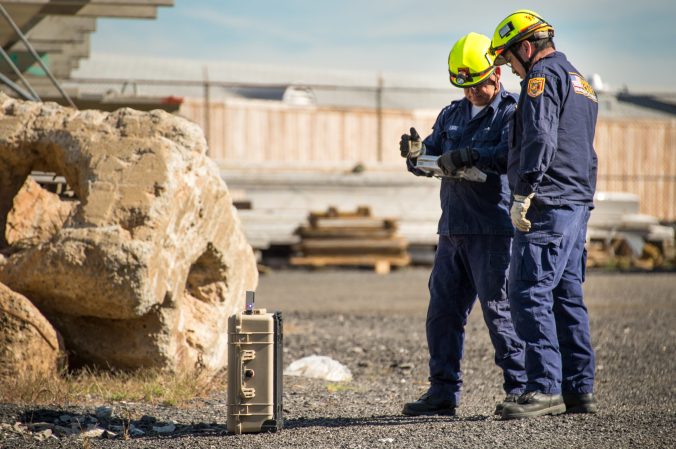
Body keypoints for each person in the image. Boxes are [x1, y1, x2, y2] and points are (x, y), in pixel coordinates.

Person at [399, 32, 526, 417]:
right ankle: (442, 392)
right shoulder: (451, 113)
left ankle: (521, 389)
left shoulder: (511, 112)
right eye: (465, 86)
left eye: (477, 85)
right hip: (452, 229)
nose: (471, 93)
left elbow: (511, 155)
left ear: (497, 77)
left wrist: (473, 155)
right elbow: (430, 157)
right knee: (442, 313)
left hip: (492, 230)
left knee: (499, 311)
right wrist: (416, 155)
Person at [488, 10, 599, 419]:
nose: (512, 71)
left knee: (528, 291)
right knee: (567, 296)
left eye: (509, 60)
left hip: (547, 203)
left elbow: (539, 136)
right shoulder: (581, 82)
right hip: (575, 203)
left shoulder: (541, 79)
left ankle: (544, 388)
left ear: (526, 47)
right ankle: (578, 389)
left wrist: (523, 192)